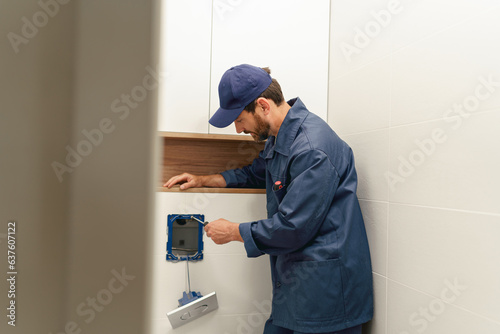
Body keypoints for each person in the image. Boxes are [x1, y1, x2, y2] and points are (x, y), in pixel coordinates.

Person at [164, 64, 373, 334]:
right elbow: (256, 172)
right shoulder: (280, 138)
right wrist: (203, 179)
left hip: (328, 296)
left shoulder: (312, 149)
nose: (238, 130)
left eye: (239, 120)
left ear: (262, 105)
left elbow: (292, 228)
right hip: (298, 287)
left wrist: (234, 232)